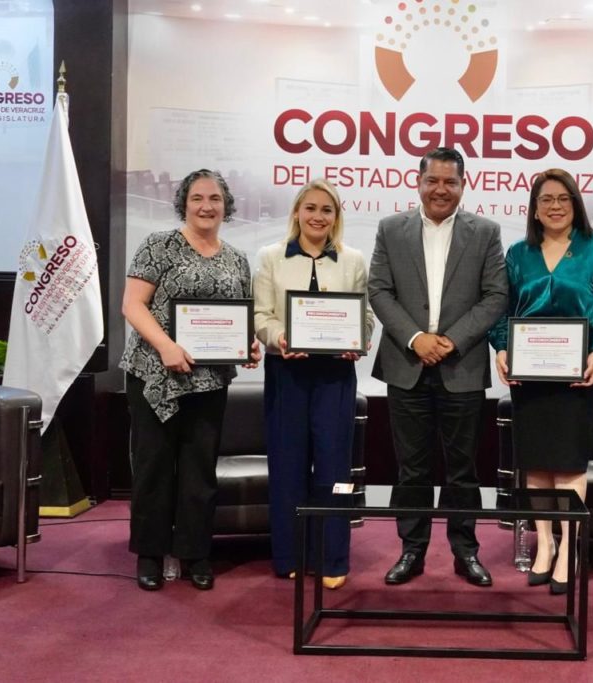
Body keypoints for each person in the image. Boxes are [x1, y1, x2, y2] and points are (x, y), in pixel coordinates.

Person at [368, 147, 508, 587]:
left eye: (451, 182)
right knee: (411, 468)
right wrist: (416, 338)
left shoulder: (486, 232)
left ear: (464, 185)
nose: (441, 189)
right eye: (433, 180)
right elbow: (379, 290)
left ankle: (466, 552)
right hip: (406, 364)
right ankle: (411, 551)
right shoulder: (391, 229)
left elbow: (496, 295)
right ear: (419, 182)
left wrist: (451, 340)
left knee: (463, 468)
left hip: (461, 365)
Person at [120, 169, 260, 592]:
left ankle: (195, 552)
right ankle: (150, 553)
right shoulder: (157, 245)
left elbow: (239, 318)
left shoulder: (237, 258)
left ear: (226, 205)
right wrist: (166, 346)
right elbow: (132, 305)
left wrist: (248, 346)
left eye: (215, 198)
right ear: (183, 202)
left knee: (200, 470)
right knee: (154, 466)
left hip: (209, 382)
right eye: (197, 198)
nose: (206, 206)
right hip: (154, 375)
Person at [489, 168, 593, 595]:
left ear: (575, 204)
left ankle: (569, 548)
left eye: (563, 198)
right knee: (536, 466)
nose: (555, 206)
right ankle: (544, 544)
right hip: (528, 377)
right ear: (534, 208)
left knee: (569, 465)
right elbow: (501, 309)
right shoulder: (518, 253)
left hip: (576, 376)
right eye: (546, 199)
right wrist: (501, 348)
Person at [253, 179, 374, 590]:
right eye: (310, 208)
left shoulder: (353, 260)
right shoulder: (270, 257)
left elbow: (365, 314)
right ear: (297, 213)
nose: (318, 216)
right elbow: (261, 315)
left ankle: (332, 557)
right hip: (286, 372)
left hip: (335, 376)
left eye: (327, 209)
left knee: (334, 465)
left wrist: (359, 339)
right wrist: (278, 338)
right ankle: (289, 555)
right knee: (287, 465)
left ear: (336, 216)